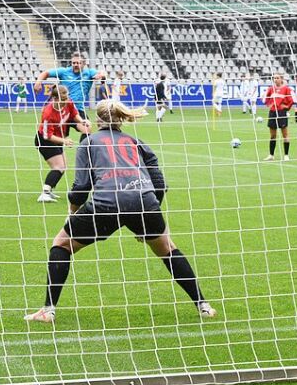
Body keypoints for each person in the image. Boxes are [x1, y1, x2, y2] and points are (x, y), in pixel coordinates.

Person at [25, 99, 216, 324]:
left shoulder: (89, 143)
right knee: (167, 248)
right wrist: (153, 211)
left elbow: (81, 187)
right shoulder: (137, 142)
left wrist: (72, 213)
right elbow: (159, 183)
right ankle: (204, 305)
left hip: (106, 204)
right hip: (143, 202)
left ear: (98, 120)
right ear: (121, 119)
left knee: (61, 244)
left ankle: (48, 310)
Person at [35, 84, 89, 203]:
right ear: (55, 98)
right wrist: (64, 140)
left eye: (66, 98)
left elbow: (74, 114)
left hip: (57, 138)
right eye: (63, 100)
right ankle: (45, 193)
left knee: (63, 166)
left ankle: (49, 191)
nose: (66, 102)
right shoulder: (48, 112)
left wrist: (82, 121)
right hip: (44, 141)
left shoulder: (68, 102)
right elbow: (47, 136)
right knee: (59, 166)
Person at [33, 53, 105, 138]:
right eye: (73, 63)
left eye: (78, 63)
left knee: (87, 128)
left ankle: (82, 150)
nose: (75, 65)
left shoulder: (89, 73)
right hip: (62, 109)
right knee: (59, 137)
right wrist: (38, 82)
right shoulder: (64, 72)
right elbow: (46, 73)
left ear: (84, 64)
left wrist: (101, 76)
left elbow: (103, 73)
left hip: (77, 110)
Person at [263, 73, 294, 162]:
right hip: (272, 112)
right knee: (273, 135)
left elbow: (291, 101)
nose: (275, 79)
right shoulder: (271, 89)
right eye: (274, 78)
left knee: (285, 135)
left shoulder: (286, 89)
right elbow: (266, 99)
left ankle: (286, 155)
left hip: (281, 113)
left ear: (282, 79)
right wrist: (269, 105)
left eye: (277, 78)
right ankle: (271, 155)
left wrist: (286, 107)